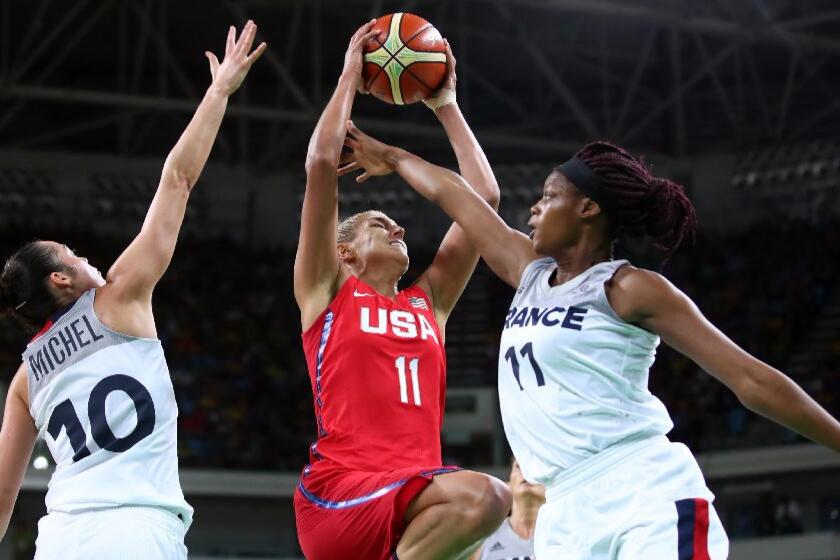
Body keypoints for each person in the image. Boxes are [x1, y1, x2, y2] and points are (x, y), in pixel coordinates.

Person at [340, 130, 840, 558]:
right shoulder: (529, 273)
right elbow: (460, 197)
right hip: (562, 514)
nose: (534, 207)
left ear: (587, 208)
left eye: (548, 196)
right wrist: (431, 119)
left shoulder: (628, 288)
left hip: (641, 489)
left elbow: (749, 378)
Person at [0, 21, 266, 558]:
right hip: (136, 529)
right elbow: (177, 180)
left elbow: (2, 495)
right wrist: (219, 92)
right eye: (72, 255)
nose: (85, 257)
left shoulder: (26, 378)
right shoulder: (117, 298)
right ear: (61, 279)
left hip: (60, 536)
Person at [293, 20, 511, 560]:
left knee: (477, 520)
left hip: (417, 496)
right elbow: (322, 163)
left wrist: (445, 105)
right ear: (344, 253)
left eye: (397, 225)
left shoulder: (429, 301)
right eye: (379, 224)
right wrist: (348, 75)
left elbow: (482, 197)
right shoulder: (326, 291)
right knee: (487, 498)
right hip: (343, 493)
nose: (399, 229)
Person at [470, 459, 544, 560]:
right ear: (507, 485)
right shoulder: (482, 540)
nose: (526, 472)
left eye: (536, 467)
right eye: (519, 466)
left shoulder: (565, 534)